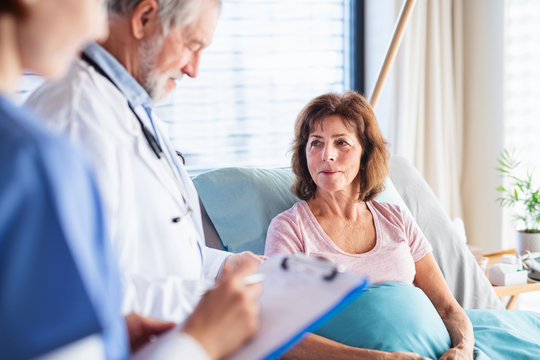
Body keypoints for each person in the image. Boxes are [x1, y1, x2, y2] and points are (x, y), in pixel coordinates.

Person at [0, 0, 261, 359]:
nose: (194, 69)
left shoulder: (130, 105)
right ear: (145, 18)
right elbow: (82, 296)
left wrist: (219, 268)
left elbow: (147, 242)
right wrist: (203, 327)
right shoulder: (69, 119)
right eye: (191, 44)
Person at [265, 91, 475, 360]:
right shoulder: (289, 229)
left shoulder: (396, 218)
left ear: (365, 154)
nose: (327, 155)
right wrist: (378, 358)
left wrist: (463, 349)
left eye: (342, 143)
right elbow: (277, 334)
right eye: (316, 143)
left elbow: (447, 309)